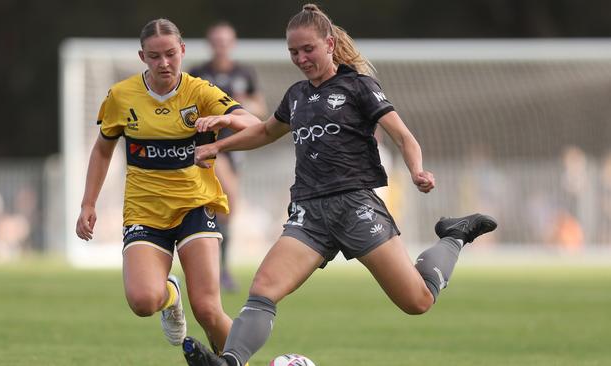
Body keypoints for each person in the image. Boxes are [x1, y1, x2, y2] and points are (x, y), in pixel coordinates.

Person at [181, 5, 497, 366]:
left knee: (418, 301)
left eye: (308, 49)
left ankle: (454, 235)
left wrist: (417, 171)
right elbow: (266, 131)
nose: (300, 58)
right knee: (263, 289)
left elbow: (404, 137)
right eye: (293, 52)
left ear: (329, 44)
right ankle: (230, 362)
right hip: (309, 213)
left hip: (355, 207)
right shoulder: (296, 95)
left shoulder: (358, 86)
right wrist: (218, 145)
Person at [74, 18, 261, 353]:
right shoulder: (121, 96)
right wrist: (88, 203)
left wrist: (226, 119)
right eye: (155, 56)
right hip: (145, 211)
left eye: (171, 54)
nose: (164, 63)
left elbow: (255, 125)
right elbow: (102, 150)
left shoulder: (200, 91)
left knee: (207, 309)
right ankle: (171, 294)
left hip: (195, 205)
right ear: (142, 56)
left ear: (183, 51)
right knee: (144, 301)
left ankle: (233, 362)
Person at [190, 21, 268, 292]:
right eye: (216, 41)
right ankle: (215, 270)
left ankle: (218, 269)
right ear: (210, 44)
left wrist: (240, 101)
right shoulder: (198, 73)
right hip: (209, 147)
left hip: (236, 147)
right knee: (229, 200)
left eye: (225, 41)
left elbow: (259, 107)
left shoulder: (244, 73)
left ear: (232, 44)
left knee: (222, 210)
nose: (221, 46)